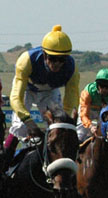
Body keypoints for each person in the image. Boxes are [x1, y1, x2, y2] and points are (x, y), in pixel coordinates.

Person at [5, 25, 80, 156]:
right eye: (52, 58)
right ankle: (4, 161)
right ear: (44, 55)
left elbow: (71, 101)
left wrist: (63, 121)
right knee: (20, 127)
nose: (56, 63)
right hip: (27, 90)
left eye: (61, 59)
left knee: (59, 127)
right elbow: (16, 98)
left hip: (49, 92)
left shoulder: (72, 69)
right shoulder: (27, 60)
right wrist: (28, 121)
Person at [77, 68, 108, 142]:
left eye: (107, 87)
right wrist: (90, 126)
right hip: (88, 110)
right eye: (101, 86)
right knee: (80, 134)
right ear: (97, 85)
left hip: (104, 110)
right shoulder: (87, 92)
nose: (104, 89)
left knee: (107, 131)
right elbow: (84, 115)